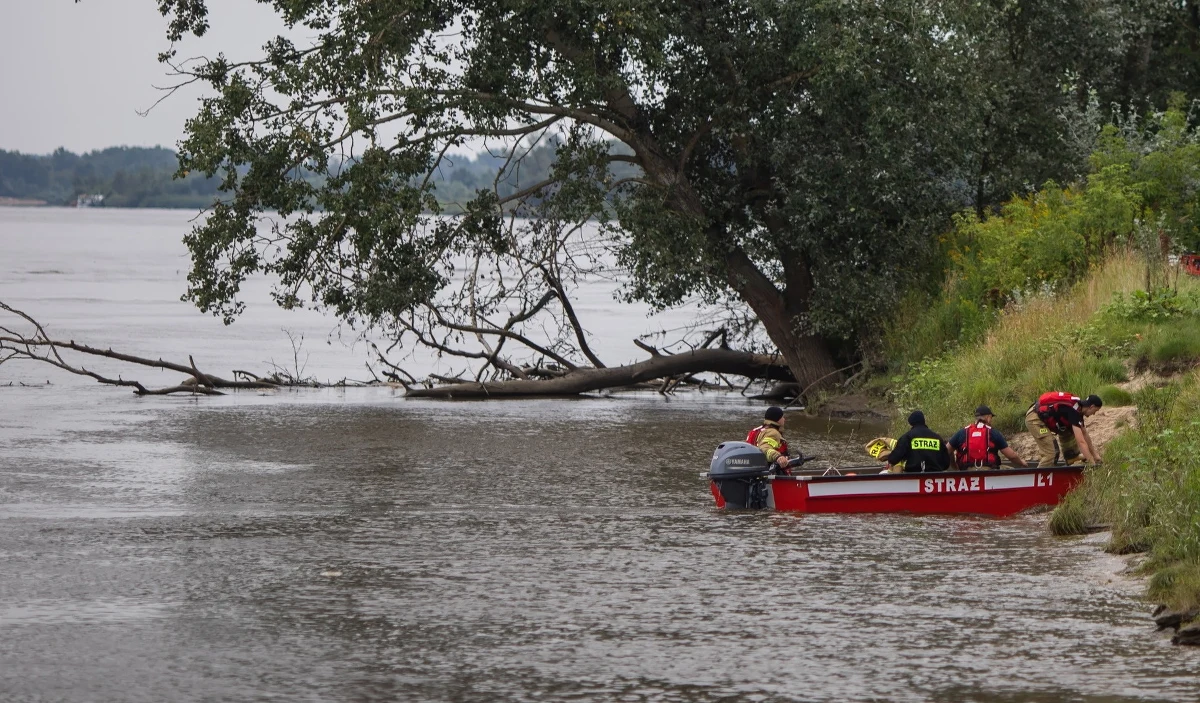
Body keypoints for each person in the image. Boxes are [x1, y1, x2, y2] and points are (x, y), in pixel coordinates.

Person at [1024, 392, 1103, 466]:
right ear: (1091, 406)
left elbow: (1084, 433)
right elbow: (1081, 442)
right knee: (1052, 453)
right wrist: (1092, 464)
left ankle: (1071, 457)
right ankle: (1040, 475)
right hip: (1035, 420)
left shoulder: (1078, 407)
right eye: (1095, 411)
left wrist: (1095, 455)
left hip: (1041, 414)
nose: (1094, 414)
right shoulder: (1073, 412)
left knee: (1072, 430)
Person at [948, 405, 1028, 469]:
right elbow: (1011, 456)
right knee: (1010, 470)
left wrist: (954, 466)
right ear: (988, 417)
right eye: (991, 417)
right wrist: (1021, 462)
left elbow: (946, 451)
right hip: (989, 471)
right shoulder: (993, 433)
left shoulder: (962, 432)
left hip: (966, 472)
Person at [885, 410, 952, 473]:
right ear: (923, 421)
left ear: (911, 423)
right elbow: (946, 463)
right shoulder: (937, 438)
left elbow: (893, 459)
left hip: (913, 477)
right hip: (935, 478)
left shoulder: (907, 437)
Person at [748, 406, 791, 472]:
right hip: (769, 473)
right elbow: (765, 448)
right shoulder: (773, 432)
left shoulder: (756, 431)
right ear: (777, 419)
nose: (784, 419)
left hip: (754, 471)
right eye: (782, 417)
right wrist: (778, 457)